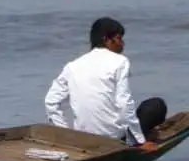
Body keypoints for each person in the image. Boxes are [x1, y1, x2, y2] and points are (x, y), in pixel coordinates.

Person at [44, 17, 168, 153]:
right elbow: (124, 103)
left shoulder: (72, 66)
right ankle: (137, 139)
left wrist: (67, 134)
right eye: (119, 38)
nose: (123, 44)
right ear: (107, 39)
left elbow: (51, 102)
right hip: (113, 139)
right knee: (156, 106)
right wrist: (139, 142)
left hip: (82, 138)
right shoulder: (120, 61)